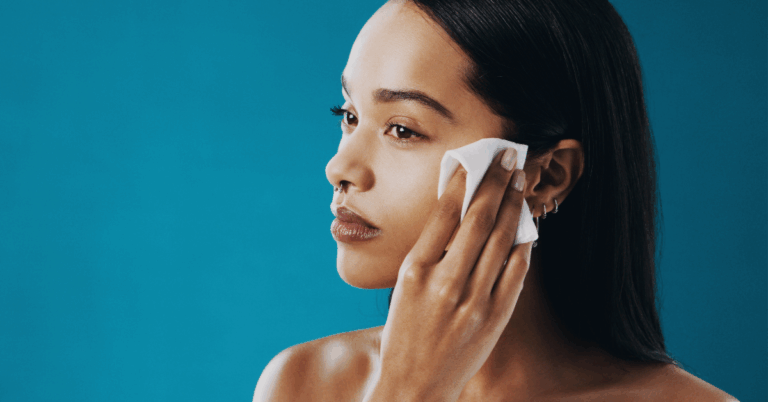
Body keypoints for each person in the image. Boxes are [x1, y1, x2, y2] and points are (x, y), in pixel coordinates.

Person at [254, 0, 737, 400]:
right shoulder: (303, 384)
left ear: (545, 176)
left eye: (402, 129)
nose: (339, 168)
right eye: (349, 114)